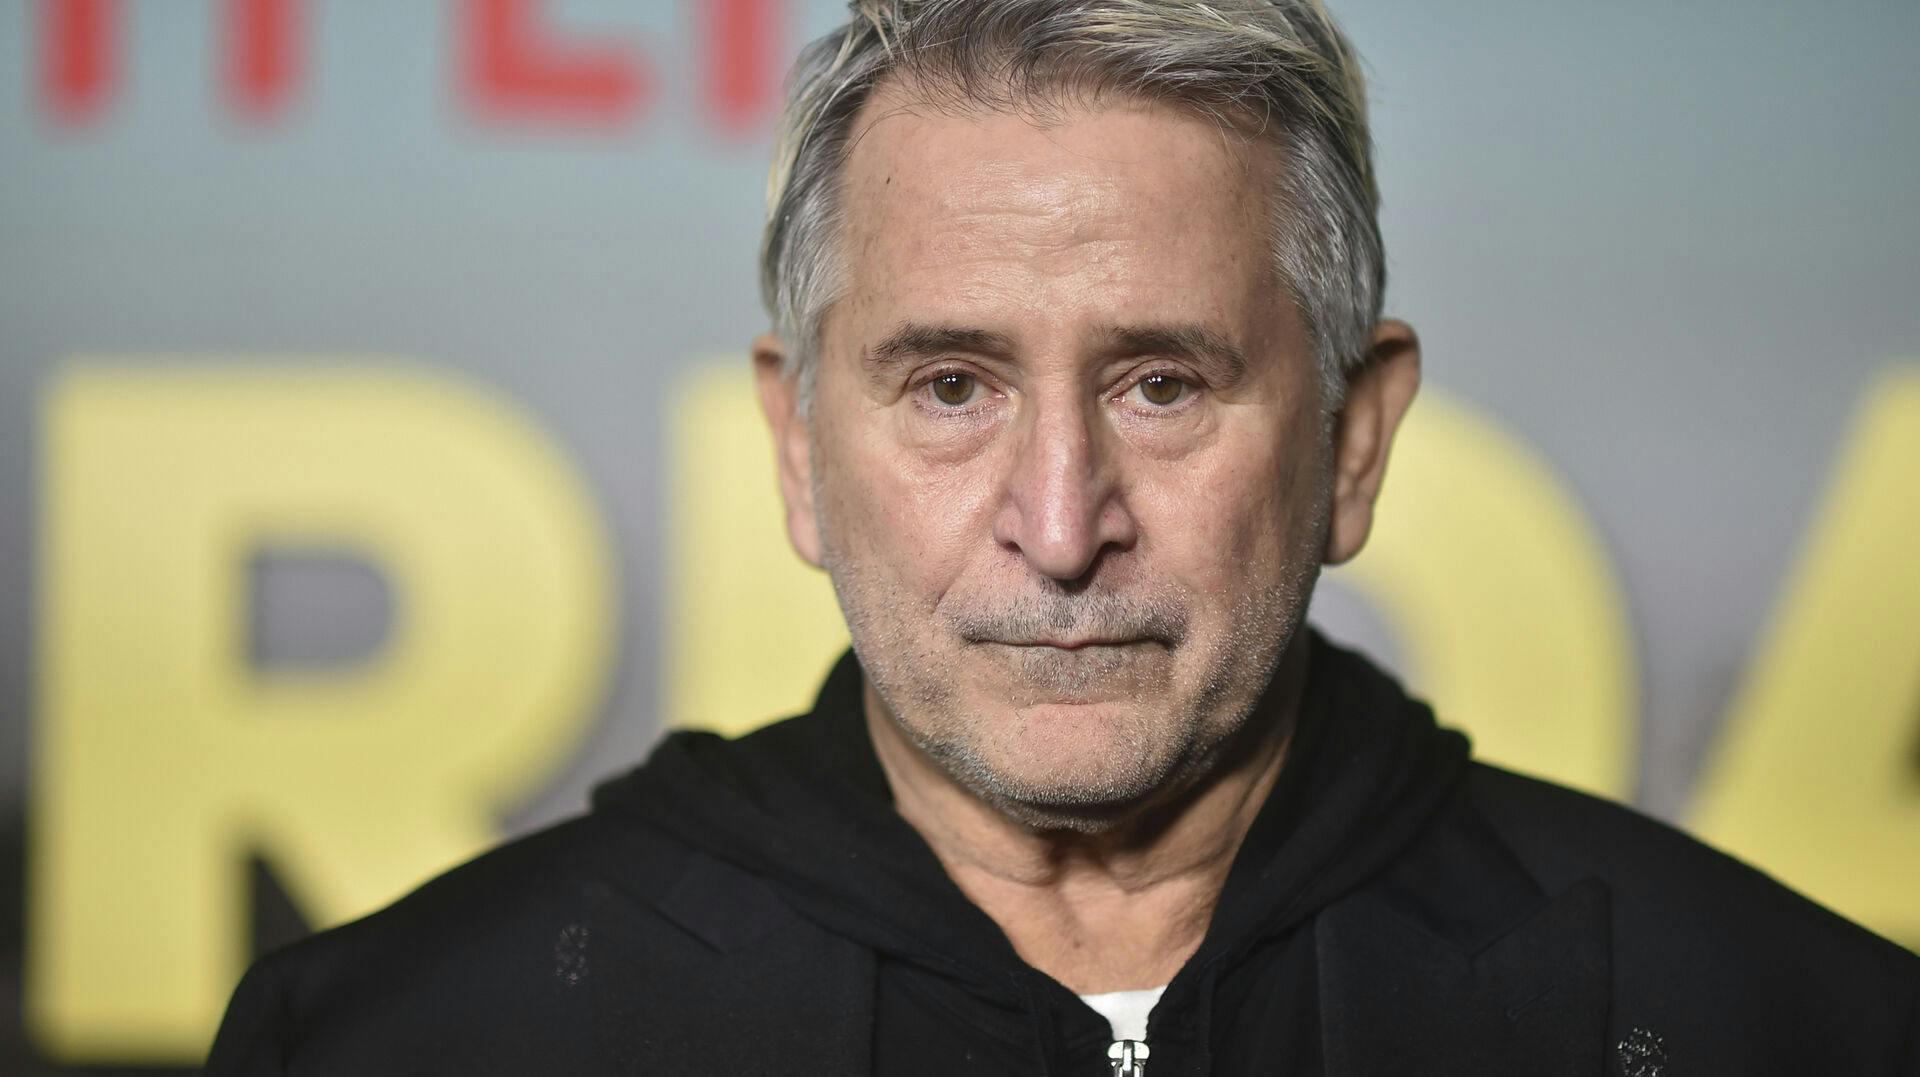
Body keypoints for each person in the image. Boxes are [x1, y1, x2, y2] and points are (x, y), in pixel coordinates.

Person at [206, 2, 1919, 1074]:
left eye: (1164, 383)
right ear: (801, 449)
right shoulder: (387, 1040)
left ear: (1355, 438)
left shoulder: (1803, 1029)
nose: (1058, 524)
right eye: (950, 384)